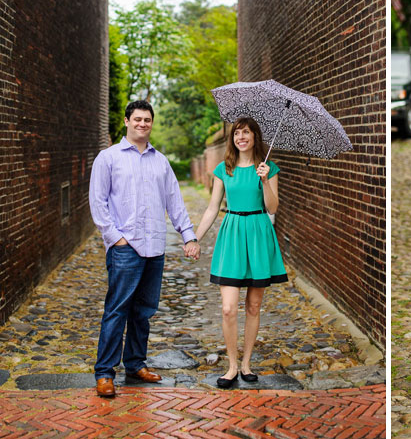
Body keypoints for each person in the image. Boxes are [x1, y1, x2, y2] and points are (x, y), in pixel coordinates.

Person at [89, 100, 201, 397]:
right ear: (126, 121)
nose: (142, 124)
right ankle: (104, 373)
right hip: (125, 248)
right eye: (137, 119)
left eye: (147, 120)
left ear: (152, 123)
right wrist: (115, 238)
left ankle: (135, 364)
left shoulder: (160, 161)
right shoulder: (108, 158)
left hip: (155, 247)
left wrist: (188, 236)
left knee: (144, 312)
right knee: (116, 310)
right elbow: (97, 203)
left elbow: (174, 202)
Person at [193, 117, 288, 388]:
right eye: (237, 133)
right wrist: (195, 237)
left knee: (254, 306)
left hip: (258, 233)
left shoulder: (268, 168)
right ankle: (232, 366)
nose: (241, 137)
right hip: (232, 233)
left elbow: (273, 208)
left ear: (255, 137)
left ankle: (247, 363)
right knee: (227, 308)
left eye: (246, 132)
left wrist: (265, 180)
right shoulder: (224, 169)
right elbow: (213, 207)